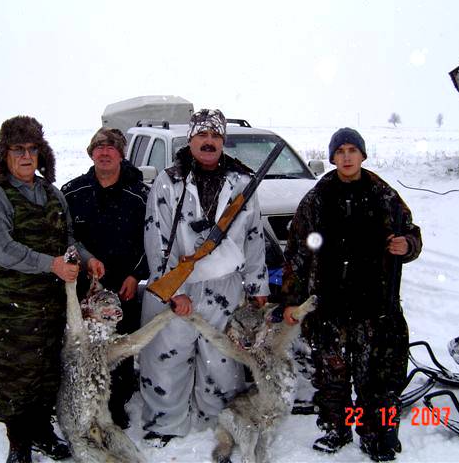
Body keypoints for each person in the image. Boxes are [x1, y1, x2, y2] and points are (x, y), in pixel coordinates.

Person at [281, 127, 422, 462]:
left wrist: (408, 245)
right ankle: (336, 430)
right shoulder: (318, 197)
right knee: (331, 377)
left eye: (352, 150)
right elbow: (297, 251)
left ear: (362, 155)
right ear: (332, 157)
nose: (346, 156)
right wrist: (291, 300)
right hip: (328, 304)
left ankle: (377, 437)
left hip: (374, 305)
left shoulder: (382, 194)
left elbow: (411, 233)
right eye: (340, 150)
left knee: (376, 379)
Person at [0, 115, 105, 463]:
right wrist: (51, 265)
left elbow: (68, 239)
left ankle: (43, 433)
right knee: (14, 376)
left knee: (46, 373)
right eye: (18, 149)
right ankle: (18, 444)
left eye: (33, 149)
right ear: (4, 155)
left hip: (48, 306)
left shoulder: (51, 193)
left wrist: (86, 259)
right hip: (9, 307)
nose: (26, 156)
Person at [138, 109, 270, 447]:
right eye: (202, 135)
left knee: (222, 357)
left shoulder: (243, 182)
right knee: (167, 355)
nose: (208, 142)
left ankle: (220, 417)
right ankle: (164, 423)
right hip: (177, 284)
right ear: (191, 139)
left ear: (223, 141)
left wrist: (257, 286)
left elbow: (254, 237)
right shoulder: (169, 181)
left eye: (215, 136)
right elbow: (156, 238)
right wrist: (172, 290)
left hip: (225, 284)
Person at [61, 127, 149, 429]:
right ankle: (81, 396)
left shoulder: (140, 196)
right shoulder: (72, 192)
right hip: (82, 288)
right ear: (91, 153)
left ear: (121, 154)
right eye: (99, 147)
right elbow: (62, 237)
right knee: (81, 345)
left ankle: (117, 402)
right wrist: (83, 264)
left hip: (122, 287)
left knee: (119, 348)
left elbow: (151, 241)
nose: (105, 152)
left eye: (111, 147)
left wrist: (135, 275)